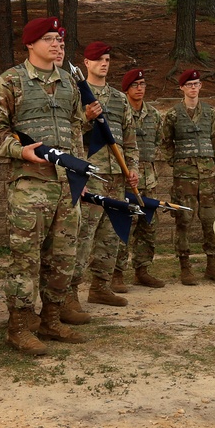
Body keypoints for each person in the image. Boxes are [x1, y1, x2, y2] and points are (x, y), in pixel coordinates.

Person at [0, 17, 100, 354]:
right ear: (30, 44)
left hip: (66, 186)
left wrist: (79, 172)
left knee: (62, 257)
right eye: (49, 39)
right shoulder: (10, 81)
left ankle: (51, 319)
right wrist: (20, 150)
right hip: (30, 184)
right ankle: (19, 327)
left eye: (59, 39)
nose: (57, 44)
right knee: (26, 259)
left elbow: (74, 129)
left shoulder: (68, 84)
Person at [70, 42, 139, 309]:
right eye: (98, 59)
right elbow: (69, 132)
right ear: (86, 63)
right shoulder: (77, 94)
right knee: (84, 236)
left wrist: (132, 168)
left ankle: (100, 286)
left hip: (117, 178)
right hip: (91, 176)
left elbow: (129, 139)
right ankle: (70, 292)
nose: (104, 64)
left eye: (107, 59)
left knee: (110, 236)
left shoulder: (120, 99)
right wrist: (86, 116)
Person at [158, 69, 215, 285]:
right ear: (182, 87)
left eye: (196, 84)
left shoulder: (210, 112)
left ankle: (212, 266)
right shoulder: (173, 114)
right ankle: (185, 267)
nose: (193, 88)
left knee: (210, 219)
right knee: (184, 219)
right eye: (189, 84)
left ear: (200, 86)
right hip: (184, 178)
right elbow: (165, 142)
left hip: (208, 176)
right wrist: (176, 162)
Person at [114, 69, 165, 288]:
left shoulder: (154, 114)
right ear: (126, 89)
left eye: (143, 84)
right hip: (126, 178)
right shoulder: (119, 111)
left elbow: (159, 141)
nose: (140, 88)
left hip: (148, 180)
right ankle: (116, 273)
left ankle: (142, 270)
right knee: (125, 224)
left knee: (148, 225)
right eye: (135, 85)